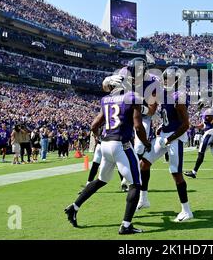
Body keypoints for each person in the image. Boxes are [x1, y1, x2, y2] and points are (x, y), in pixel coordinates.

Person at [64, 75, 152, 234]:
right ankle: (126, 225)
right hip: (121, 145)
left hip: (105, 145)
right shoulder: (131, 97)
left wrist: (100, 139)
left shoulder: (106, 100)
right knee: (136, 184)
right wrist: (146, 143)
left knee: (101, 180)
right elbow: (138, 127)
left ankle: (74, 207)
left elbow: (94, 125)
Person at [137, 67, 194, 222]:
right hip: (164, 135)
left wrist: (169, 139)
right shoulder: (166, 94)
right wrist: (163, 126)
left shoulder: (178, 97)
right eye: (164, 77)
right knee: (144, 163)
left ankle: (186, 210)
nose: (164, 80)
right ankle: (144, 199)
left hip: (175, 137)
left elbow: (185, 125)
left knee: (176, 173)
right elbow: (168, 116)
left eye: (168, 78)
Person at [184, 98, 213, 181]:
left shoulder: (209, 112)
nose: (199, 105)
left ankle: (194, 172)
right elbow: (204, 124)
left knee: (201, 152)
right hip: (212, 132)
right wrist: (195, 126)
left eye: (200, 104)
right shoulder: (207, 112)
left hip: (210, 133)